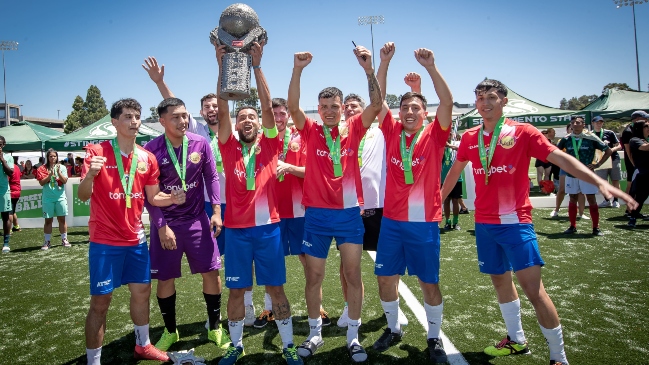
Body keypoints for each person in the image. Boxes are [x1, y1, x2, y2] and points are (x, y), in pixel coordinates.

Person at [442, 79, 636, 365]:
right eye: (480, 97)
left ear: (504, 101)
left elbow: (560, 158)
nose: (485, 102)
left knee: (535, 292)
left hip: (515, 223)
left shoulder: (522, 132)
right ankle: (516, 340)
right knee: (500, 282)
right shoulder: (471, 136)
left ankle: (559, 357)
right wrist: (436, 203)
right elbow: (454, 172)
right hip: (483, 225)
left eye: (492, 97)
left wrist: (596, 180)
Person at [143, 57, 258, 326]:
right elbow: (173, 111)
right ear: (201, 112)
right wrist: (161, 83)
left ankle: (249, 306)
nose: (212, 109)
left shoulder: (237, 130)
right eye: (206, 107)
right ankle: (214, 319)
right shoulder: (197, 132)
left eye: (216, 105)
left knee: (244, 258)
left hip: (241, 203)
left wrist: (223, 69)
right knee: (214, 264)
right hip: (206, 206)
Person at [288, 44, 382, 363]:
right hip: (316, 217)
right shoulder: (312, 131)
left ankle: (353, 336)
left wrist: (369, 69)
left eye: (334, 106)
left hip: (348, 216)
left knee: (353, 276)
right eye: (324, 106)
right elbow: (291, 105)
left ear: (342, 108)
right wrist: (298, 69)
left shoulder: (354, 130)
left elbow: (378, 103)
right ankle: (315, 332)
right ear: (319, 107)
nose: (329, 111)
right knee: (313, 277)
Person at [214, 42, 302, 365]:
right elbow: (223, 110)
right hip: (237, 233)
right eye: (243, 118)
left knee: (276, 291)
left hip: (268, 232)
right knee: (236, 292)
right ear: (237, 126)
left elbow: (268, 108)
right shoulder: (228, 147)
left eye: (252, 116)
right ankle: (236, 347)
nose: (248, 120)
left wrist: (257, 66)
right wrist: (222, 67)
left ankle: (289, 344)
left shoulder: (270, 146)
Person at [79, 98, 183, 364]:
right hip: (104, 241)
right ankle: (93, 360)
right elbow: (82, 196)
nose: (134, 121)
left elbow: (153, 196)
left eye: (136, 116)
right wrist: (90, 175)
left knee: (142, 293)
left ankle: (143, 345)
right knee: (100, 304)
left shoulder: (146, 157)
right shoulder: (96, 152)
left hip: (136, 240)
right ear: (114, 122)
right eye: (127, 116)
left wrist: (172, 198)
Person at [370, 43, 453, 363]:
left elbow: (446, 100)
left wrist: (431, 67)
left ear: (425, 113)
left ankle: (434, 339)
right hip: (391, 221)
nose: (408, 112)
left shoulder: (435, 134)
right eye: (404, 107)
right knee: (385, 278)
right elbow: (378, 101)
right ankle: (393, 328)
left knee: (428, 282)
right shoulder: (390, 131)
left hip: (424, 223)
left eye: (415, 108)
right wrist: (383, 63)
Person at [143, 97, 229, 352]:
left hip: (197, 221)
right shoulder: (151, 150)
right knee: (165, 279)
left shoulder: (200, 143)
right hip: (167, 224)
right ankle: (171, 331)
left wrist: (215, 211)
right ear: (162, 121)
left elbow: (211, 176)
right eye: (175, 117)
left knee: (211, 274)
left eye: (184, 115)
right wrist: (161, 226)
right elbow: (149, 195)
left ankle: (214, 326)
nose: (182, 121)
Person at [254, 97, 316, 329]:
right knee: (271, 260)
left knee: (308, 260)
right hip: (271, 212)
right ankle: (269, 308)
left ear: (288, 115)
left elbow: (314, 171)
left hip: (300, 210)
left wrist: (289, 168)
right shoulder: (259, 141)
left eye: (282, 114)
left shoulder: (301, 137)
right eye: (274, 114)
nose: (278, 118)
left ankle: (316, 304)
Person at [335, 92, 390, 330]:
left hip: (377, 206)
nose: (349, 110)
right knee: (347, 266)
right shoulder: (338, 136)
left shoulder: (380, 132)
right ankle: (349, 307)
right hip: (348, 208)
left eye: (354, 106)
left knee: (386, 264)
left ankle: (391, 311)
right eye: (346, 107)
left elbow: (383, 105)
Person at [557, 116, 611, 236]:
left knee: (591, 199)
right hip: (571, 174)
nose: (575, 124)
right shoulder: (566, 139)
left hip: (587, 174)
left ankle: (596, 228)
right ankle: (572, 226)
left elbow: (608, 151)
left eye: (578, 122)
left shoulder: (591, 138)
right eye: (573, 122)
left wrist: (597, 165)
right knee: (572, 198)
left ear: (583, 125)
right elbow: (555, 152)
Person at [35, 149, 70, 249]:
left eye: (54, 156)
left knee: (62, 219)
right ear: (47, 157)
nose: (53, 158)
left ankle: (64, 239)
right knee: (48, 220)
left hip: (60, 198)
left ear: (57, 157)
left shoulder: (62, 167)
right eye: (51, 156)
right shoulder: (42, 168)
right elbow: (41, 183)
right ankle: (47, 241)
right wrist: (49, 175)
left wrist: (58, 173)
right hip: (48, 198)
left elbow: (65, 181)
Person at [550, 124, 587, 219]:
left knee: (581, 191)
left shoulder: (584, 139)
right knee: (562, 189)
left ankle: (581, 213)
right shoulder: (564, 140)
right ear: (567, 130)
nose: (574, 129)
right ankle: (556, 209)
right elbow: (556, 151)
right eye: (571, 128)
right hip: (566, 167)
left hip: (580, 167)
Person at [620, 110, 649, 215]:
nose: (647, 121)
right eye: (645, 119)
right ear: (637, 119)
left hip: (640, 164)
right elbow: (628, 151)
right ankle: (629, 210)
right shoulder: (628, 131)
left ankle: (632, 211)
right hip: (634, 164)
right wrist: (635, 165)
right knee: (631, 187)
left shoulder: (640, 131)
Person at [591, 116, 623, 208]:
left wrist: (611, 150)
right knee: (602, 182)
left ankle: (616, 201)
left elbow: (619, 146)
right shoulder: (589, 134)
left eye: (601, 122)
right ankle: (606, 200)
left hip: (613, 159)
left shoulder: (609, 133)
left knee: (615, 180)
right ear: (593, 123)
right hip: (599, 161)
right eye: (597, 122)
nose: (599, 124)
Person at [627, 119, 649, 227]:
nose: (648, 128)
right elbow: (645, 148)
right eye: (646, 126)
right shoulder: (634, 140)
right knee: (640, 197)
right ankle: (632, 217)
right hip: (643, 173)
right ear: (640, 128)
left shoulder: (646, 139)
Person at [0, 136, 14, 253]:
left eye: (0, 145)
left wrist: (2, 160)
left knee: (6, 217)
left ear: (3, 145)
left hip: (4, 190)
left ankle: (6, 243)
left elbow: (10, 173)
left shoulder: (8, 157)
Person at [9, 163, 21, 232]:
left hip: (11, 191)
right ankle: (16, 226)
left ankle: (8, 229)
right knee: (12, 211)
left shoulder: (9, 167)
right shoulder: (16, 166)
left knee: (9, 212)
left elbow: (6, 179)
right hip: (17, 191)